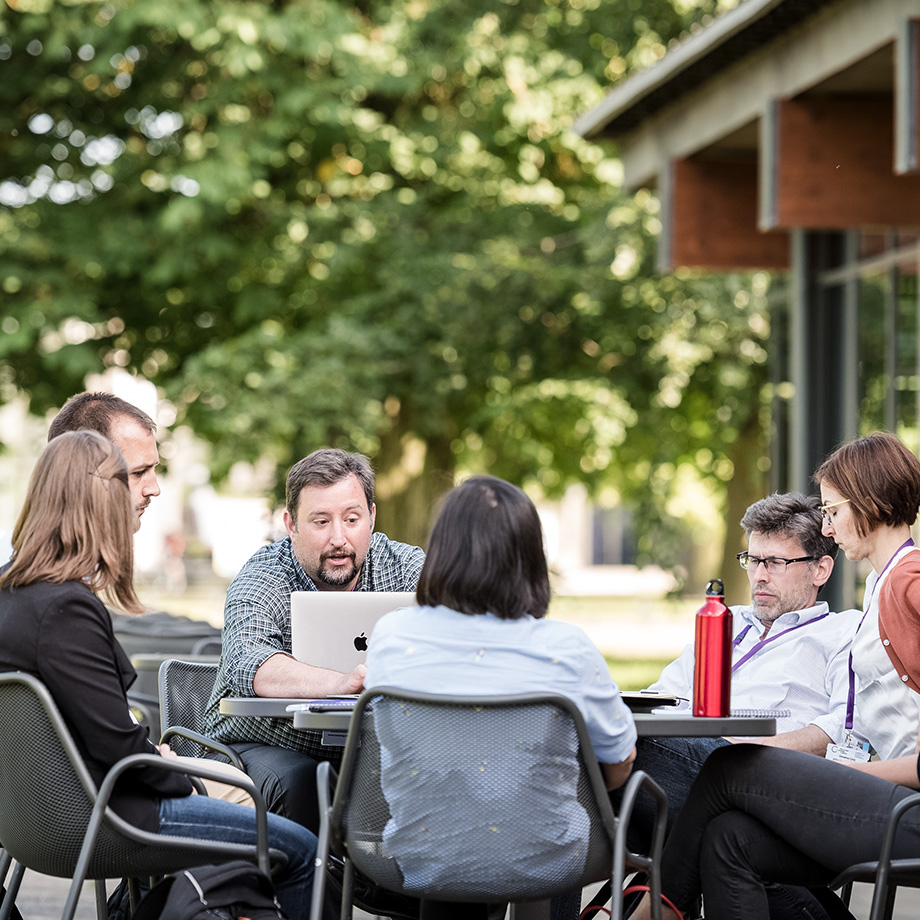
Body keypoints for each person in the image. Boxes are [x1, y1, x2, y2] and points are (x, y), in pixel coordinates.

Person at [0, 431, 317, 919]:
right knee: (299, 848)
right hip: (113, 817)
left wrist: (150, 757)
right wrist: (170, 769)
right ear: (98, 503)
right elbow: (117, 747)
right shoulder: (65, 610)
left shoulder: (12, 599)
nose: (136, 501)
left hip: (34, 823)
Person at [632, 432, 920, 920]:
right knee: (727, 838)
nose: (828, 526)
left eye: (833, 510)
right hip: (885, 798)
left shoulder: (908, 581)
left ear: (868, 502)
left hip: (903, 808)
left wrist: (850, 772)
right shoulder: (882, 581)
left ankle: (656, 913)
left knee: (729, 766)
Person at [365, 474, 638, 920]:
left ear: (440, 551)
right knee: (541, 830)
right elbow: (619, 762)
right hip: (545, 854)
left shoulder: (392, 635)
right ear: (530, 557)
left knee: (457, 841)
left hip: (422, 854)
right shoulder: (566, 648)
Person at [205, 448, 426, 831]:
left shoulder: (408, 568)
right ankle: (305, 891)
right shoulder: (263, 575)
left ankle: (390, 890)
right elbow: (250, 664)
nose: (339, 538)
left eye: (352, 519)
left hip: (374, 748)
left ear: (372, 516)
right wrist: (340, 685)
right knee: (300, 779)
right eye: (321, 521)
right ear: (290, 524)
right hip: (261, 748)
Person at [630, 493, 863, 839]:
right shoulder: (725, 620)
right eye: (753, 560)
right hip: (684, 767)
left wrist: (739, 751)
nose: (760, 576)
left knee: (596, 750)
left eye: (776, 563)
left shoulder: (842, 632)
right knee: (578, 762)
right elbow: (665, 696)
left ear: (820, 569)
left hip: (759, 778)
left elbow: (840, 730)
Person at [0, 391, 162, 566]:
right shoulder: (31, 577)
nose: (154, 489)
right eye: (138, 472)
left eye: (154, 468)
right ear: (80, 470)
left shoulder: (82, 564)